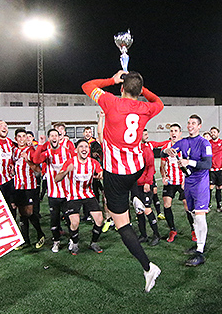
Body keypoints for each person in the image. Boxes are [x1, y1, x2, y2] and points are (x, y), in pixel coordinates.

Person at [82, 70, 163, 292]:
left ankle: (149, 268)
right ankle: (136, 198)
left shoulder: (111, 102)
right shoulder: (146, 108)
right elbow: (159, 103)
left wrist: (112, 79)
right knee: (130, 187)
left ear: (121, 88)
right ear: (139, 91)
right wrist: (138, 86)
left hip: (116, 174)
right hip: (135, 170)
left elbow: (87, 85)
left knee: (123, 225)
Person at [163, 114, 212, 266]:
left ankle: (200, 252)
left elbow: (208, 164)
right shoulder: (183, 142)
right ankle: (198, 246)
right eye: (189, 123)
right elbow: (166, 152)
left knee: (199, 216)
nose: (190, 125)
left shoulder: (204, 143)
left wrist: (188, 161)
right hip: (188, 183)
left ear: (199, 126)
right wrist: (167, 151)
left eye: (193, 123)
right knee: (192, 214)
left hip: (201, 183)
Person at [54, 139, 106, 255]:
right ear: (76, 149)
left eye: (86, 147)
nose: (84, 149)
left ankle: (93, 243)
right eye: (81, 147)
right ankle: (75, 242)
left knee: (99, 219)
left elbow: (99, 172)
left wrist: (101, 175)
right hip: (73, 196)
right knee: (75, 222)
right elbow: (57, 179)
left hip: (88, 194)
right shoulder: (70, 162)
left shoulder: (93, 162)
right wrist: (66, 171)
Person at [33, 128, 74, 253]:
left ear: (60, 137)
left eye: (56, 135)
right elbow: (35, 160)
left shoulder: (66, 151)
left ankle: (72, 240)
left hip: (66, 192)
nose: (54, 137)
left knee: (69, 218)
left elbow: (75, 162)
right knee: (54, 219)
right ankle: (56, 241)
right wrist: (40, 145)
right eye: (51, 135)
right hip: (53, 193)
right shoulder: (47, 152)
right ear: (49, 138)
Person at [160, 123, 196, 243]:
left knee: (187, 205)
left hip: (183, 182)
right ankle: (172, 230)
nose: (173, 133)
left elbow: (190, 164)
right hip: (170, 182)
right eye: (171, 131)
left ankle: (193, 229)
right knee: (166, 204)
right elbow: (162, 165)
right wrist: (164, 176)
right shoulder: (166, 147)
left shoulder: (185, 146)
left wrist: (187, 180)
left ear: (180, 133)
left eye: (176, 131)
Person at [12, 128, 46, 250]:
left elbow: (39, 170)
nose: (22, 139)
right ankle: (25, 240)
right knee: (22, 215)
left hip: (30, 186)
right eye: (19, 136)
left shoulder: (31, 151)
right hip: (18, 187)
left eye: (24, 136)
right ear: (16, 138)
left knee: (31, 213)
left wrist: (28, 161)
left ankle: (40, 234)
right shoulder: (14, 151)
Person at [132, 129, 162, 246]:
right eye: (144, 134)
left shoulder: (146, 149)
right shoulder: (132, 150)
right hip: (134, 185)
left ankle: (156, 235)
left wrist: (148, 182)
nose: (147, 136)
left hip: (144, 184)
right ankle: (143, 235)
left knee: (147, 209)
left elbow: (150, 166)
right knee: (138, 211)